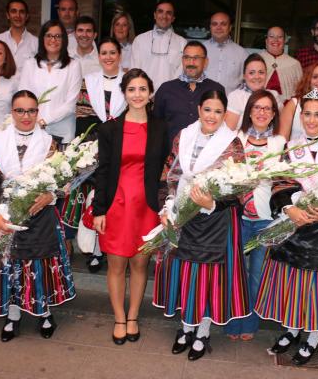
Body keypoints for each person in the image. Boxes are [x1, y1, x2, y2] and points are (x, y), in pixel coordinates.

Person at [0, 90, 76, 341]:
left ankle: (44, 312)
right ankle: (13, 315)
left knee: (40, 266)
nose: (26, 116)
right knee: (10, 264)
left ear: (38, 113)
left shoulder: (50, 142)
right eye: (20, 110)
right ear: (12, 112)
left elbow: (62, 179)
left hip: (40, 216)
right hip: (5, 213)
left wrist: (52, 196)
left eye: (31, 110)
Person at [254, 89, 318, 365]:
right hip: (295, 230)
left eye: (317, 114)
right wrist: (290, 208)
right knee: (295, 287)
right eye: (306, 114)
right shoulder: (292, 147)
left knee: (316, 290)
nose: (311, 119)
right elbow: (280, 182)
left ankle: (311, 337)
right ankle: (292, 330)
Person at [153, 90, 250, 361]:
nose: (212, 116)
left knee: (209, 278)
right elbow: (169, 173)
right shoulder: (183, 137)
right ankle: (186, 327)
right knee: (186, 273)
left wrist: (211, 202)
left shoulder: (232, 144)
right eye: (208, 109)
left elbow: (238, 187)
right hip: (184, 213)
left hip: (216, 219)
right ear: (198, 109)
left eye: (218, 111)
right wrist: (168, 205)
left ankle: (202, 331)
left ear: (224, 114)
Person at [92, 69, 169, 345]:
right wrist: (99, 210)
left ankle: (134, 316)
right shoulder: (110, 128)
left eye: (142, 89)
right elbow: (102, 171)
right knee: (115, 265)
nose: (137, 95)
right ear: (124, 93)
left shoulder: (161, 127)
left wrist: (165, 208)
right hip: (117, 204)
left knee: (139, 264)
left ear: (150, 93)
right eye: (132, 89)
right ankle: (119, 318)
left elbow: (165, 171)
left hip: (146, 207)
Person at [61, 37, 128, 272]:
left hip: (123, 146)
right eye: (104, 53)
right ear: (98, 56)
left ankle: (112, 247)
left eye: (112, 52)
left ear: (120, 55)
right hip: (94, 147)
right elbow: (83, 119)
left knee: (116, 198)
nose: (108, 57)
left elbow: (136, 117)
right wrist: (92, 149)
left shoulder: (130, 80)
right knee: (94, 198)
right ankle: (95, 251)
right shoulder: (87, 82)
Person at [224, 90, 285, 341]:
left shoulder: (279, 143)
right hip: (238, 218)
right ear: (249, 111)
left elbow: (284, 182)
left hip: (265, 220)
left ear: (273, 115)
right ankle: (231, 322)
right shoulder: (236, 139)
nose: (261, 112)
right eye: (257, 107)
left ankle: (250, 321)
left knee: (257, 275)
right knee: (235, 273)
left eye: (267, 108)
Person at [19, 19, 82, 144]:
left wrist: (43, 120)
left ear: (64, 40)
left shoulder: (73, 65)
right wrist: (34, 120)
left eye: (58, 36)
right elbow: (23, 97)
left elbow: (70, 104)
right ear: (42, 38)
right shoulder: (30, 64)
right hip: (33, 128)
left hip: (62, 131)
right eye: (49, 35)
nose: (53, 40)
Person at [154, 40, 224, 142]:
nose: (191, 62)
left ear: (206, 62)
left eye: (196, 58)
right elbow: (156, 127)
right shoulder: (166, 89)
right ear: (182, 60)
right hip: (171, 155)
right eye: (187, 58)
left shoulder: (217, 90)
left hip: (205, 154)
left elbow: (221, 127)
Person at [130, 1, 186, 90]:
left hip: (171, 96)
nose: (164, 16)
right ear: (155, 15)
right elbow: (134, 71)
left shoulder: (182, 43)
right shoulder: (140, 40)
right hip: (144, 96)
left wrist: (168, 93)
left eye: (168, 13)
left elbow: (182, 73)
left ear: (173, 18)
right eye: (160, 12)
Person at [224, 53, 282, 131]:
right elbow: (228, 132)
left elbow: (282, 127)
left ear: (266, 75)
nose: (257, 77)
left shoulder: (274, 95)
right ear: (244, 76)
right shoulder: (235, 97)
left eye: (261, 72)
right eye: (252, 73)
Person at [203, 12, 248, 94]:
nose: (218, 27)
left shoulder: (242, 53)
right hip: (203, 103)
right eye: (214, 24)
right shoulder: (201, 49)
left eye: (223, 24)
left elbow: (246, 83)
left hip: (230, 105)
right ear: (210, 27)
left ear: (230, 27)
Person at [0, 0, 38, 75]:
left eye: (22, 12)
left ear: (27, 16)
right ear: (8, 15)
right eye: (14, 11)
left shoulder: (36, 43)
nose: (18, 15)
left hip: (26, 87)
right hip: (2, 86)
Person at [260, 26, 303, 101]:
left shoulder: (294, 64)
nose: (275, 40)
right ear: (266, 40)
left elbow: (300, 91)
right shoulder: (257, 60)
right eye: (271, 36)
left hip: (286, 109)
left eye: (280, 37)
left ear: (284, 41)